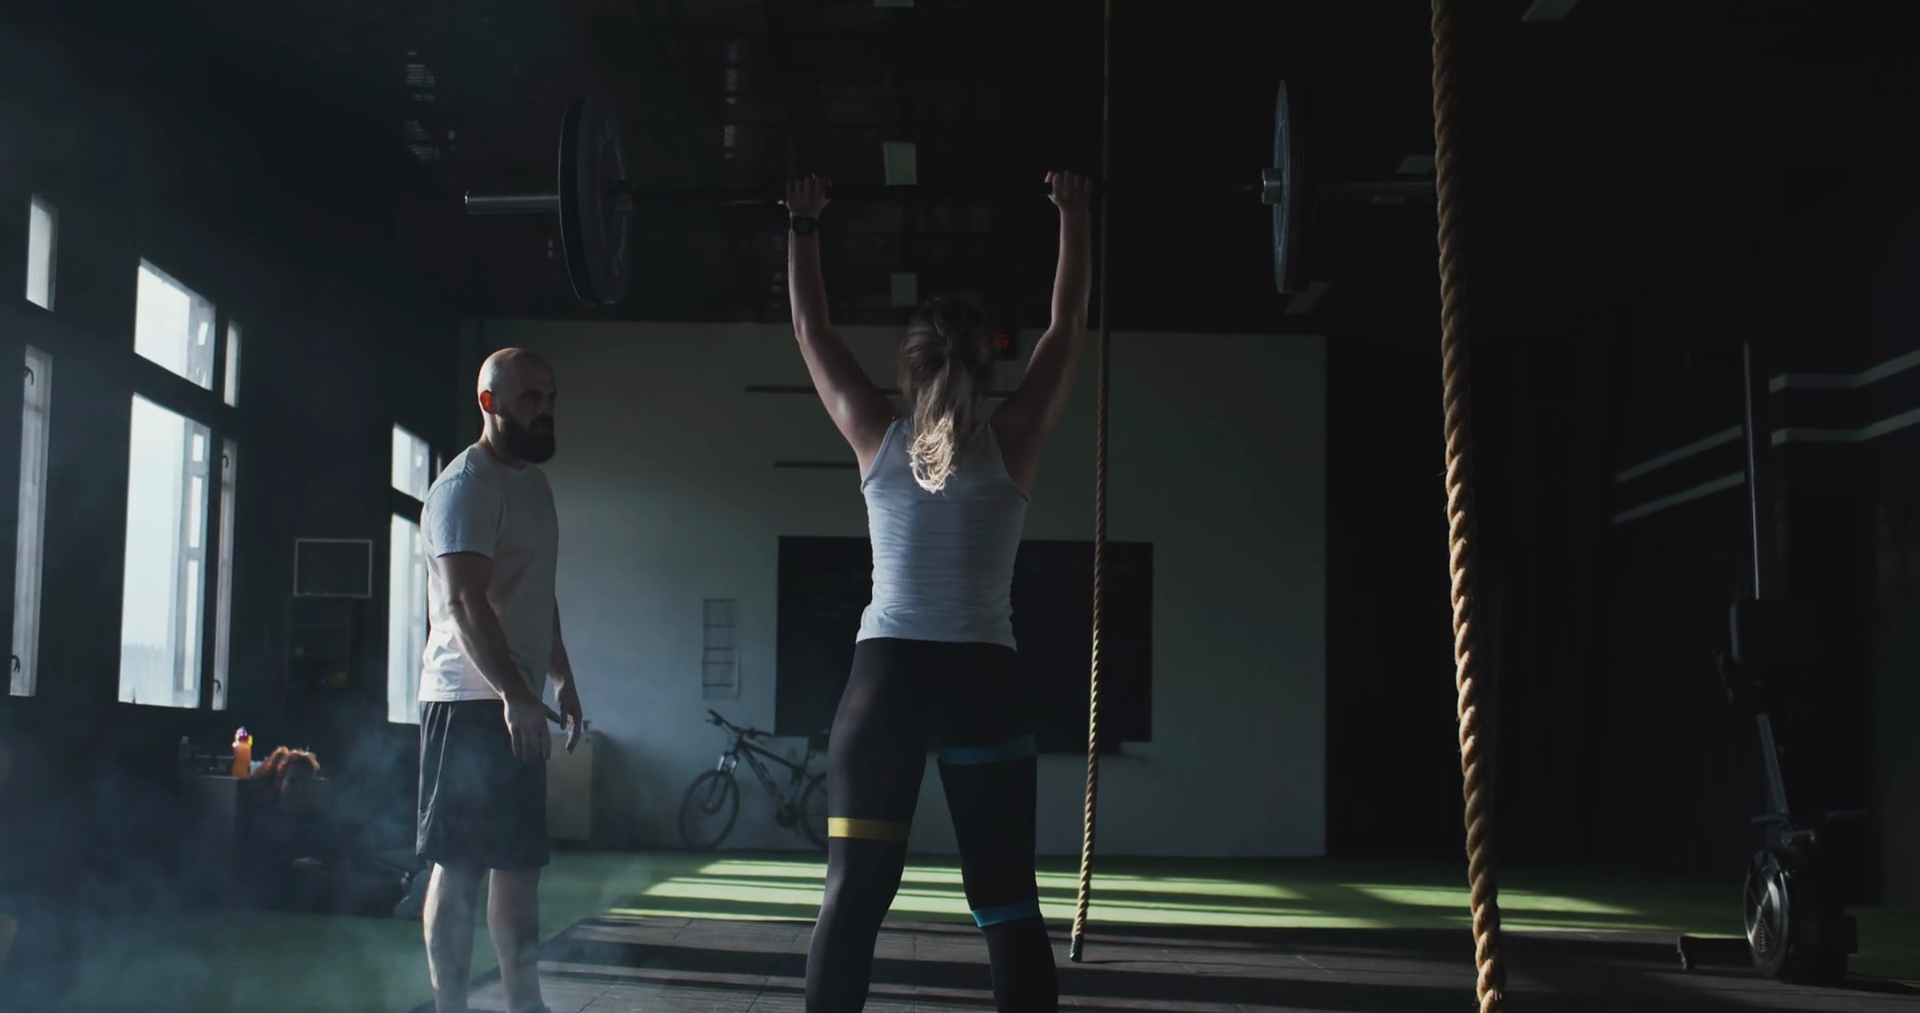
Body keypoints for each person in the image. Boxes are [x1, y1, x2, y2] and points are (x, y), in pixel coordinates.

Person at [784, 170, 1092, 1013]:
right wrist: (1073, 214)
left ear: (911, 363)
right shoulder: (1013, 442)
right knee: (1007, 901)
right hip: (982, 684)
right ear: (989, 362)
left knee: (851, 900)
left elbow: (810, 328)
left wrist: (804, 223)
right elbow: (1067, 326)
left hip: (883, 684)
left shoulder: (875, 438)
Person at [416, 348, 585, 1013]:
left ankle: (523, 1003)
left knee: (519, 864)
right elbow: (464, 603)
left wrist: (560, 677)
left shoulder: (534, 487)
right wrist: (515, 694)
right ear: (488, 403)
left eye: (550, 398)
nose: (544, 412)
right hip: (466, 700)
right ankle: (450, 1006)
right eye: (529, 399)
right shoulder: (466, 487)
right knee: (460, 865)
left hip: (520, 699)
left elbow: (537, 592)